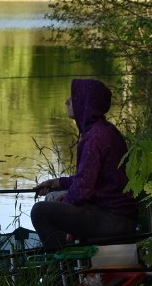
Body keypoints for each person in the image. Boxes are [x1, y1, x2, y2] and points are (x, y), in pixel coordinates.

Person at [30, 79, 137, 250]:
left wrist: (62, 200)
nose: (67, 101)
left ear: (85, 102)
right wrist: (56, 183)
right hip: (118, 213)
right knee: (54, 196)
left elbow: (81, 191)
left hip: (114, 218)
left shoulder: (94, 138)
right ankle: (71, 254)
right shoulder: (106, 130)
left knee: (40, 212)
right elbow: (89, 179)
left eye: (72, 97)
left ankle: (64, 267)